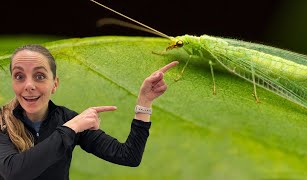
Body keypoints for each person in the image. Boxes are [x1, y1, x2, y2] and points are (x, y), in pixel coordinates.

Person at [0, 44, 178, 180]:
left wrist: (144, 103)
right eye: (19, 76)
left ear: (54, 84)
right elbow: (13, 173)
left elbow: (128, 156)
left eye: (39, 76)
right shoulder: (3, 122)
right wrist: (70, 129)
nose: (29, 86)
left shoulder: (68, 119)